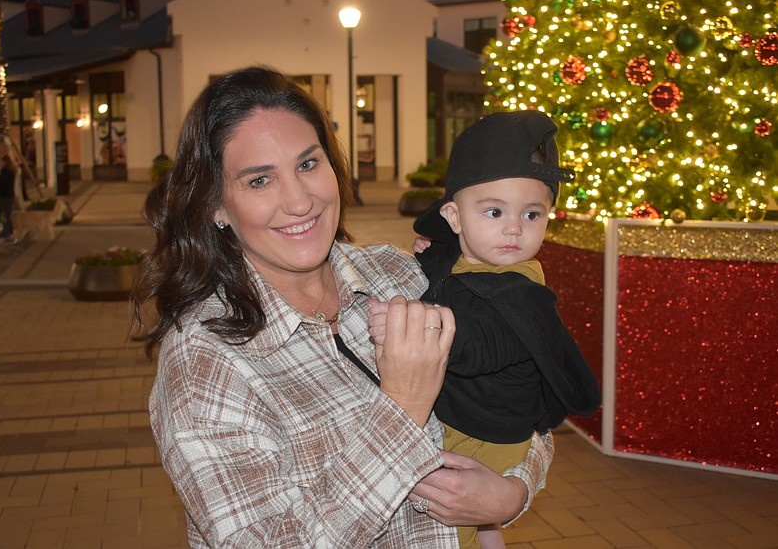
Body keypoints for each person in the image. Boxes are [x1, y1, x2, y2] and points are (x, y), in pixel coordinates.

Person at [131, 67, 554, 548]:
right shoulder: (205, 361)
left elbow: (526, 393)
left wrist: (510, 494)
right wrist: (403, 408)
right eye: (259, 181)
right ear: (216, 206)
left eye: (308, 165)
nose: (299, 201)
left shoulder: (400, 275)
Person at [370, 111, 601, 549]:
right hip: (465, 411)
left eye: (532, 214)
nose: (514, 228)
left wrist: (418, 327)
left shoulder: (522, 290)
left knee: (449, 518)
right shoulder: (471, 254)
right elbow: (447, 275)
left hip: (491, 430)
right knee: (479, 517)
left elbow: (483, 343)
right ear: (455, 219)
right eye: (494, 211)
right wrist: (431, 250)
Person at [0, 155, 18, 245]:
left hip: (3, 197)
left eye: (1, 162)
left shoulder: (4, 171)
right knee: (8, 216)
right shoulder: (12, 171)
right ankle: (10, 235)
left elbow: (1, 184)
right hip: (10, 196)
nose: (0, 163)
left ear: (5, 162)